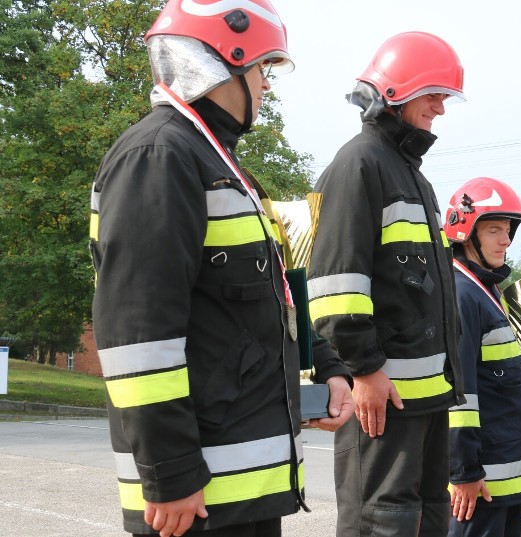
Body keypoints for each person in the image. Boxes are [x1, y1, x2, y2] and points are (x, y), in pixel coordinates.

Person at [89, 2, 354, 535]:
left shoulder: (216, 163)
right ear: (220, 63)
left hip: (238, 493)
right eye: (261, 69)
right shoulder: (159, 156)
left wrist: (327, 365)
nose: (267, 86)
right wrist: (170, 473)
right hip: (197, 499)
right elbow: (138, 337)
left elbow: (265, 300)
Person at [307, 31, 466, 537]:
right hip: (384, 397)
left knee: (422, 522)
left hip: (426, 399)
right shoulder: (359, 164)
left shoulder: (413, 177)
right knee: (381, 522)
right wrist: (365, 369)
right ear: (397, 91)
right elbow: (335, 284)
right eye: (435, 94)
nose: (441, 109)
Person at [442, 177, 521, 537]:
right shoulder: (462, 293)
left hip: (509, 483)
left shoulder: (488, 290)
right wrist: (465, 472)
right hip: (480, 486)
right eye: (495, 229)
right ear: (465, 232)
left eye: (509, 230)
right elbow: (458, 391)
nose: (506, 240)